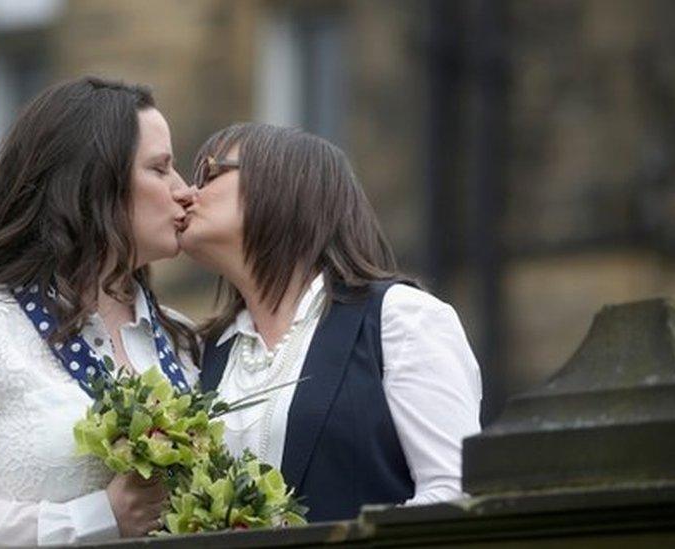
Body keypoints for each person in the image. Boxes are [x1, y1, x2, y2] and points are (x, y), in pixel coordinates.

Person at [0, 76, 198, 547]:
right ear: (94, 182)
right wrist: (98, 518)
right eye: (160, 168)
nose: (184, 190)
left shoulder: (183, 340)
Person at [177, 122, 482, 522]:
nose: (187, 193)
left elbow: (453, 491)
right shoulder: (203, 352)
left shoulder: (399, 319)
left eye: (211, 172)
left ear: (282, 184)